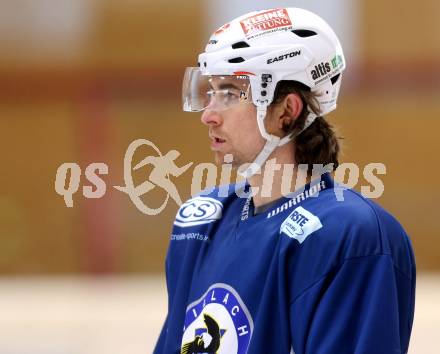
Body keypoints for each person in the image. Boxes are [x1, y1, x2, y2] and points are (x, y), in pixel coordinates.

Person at [154, 7, 415, 354]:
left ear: (287, 112)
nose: (208, 115)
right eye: (211, 91)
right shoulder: (200, 223)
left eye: (230, 92)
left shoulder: (350, 236)